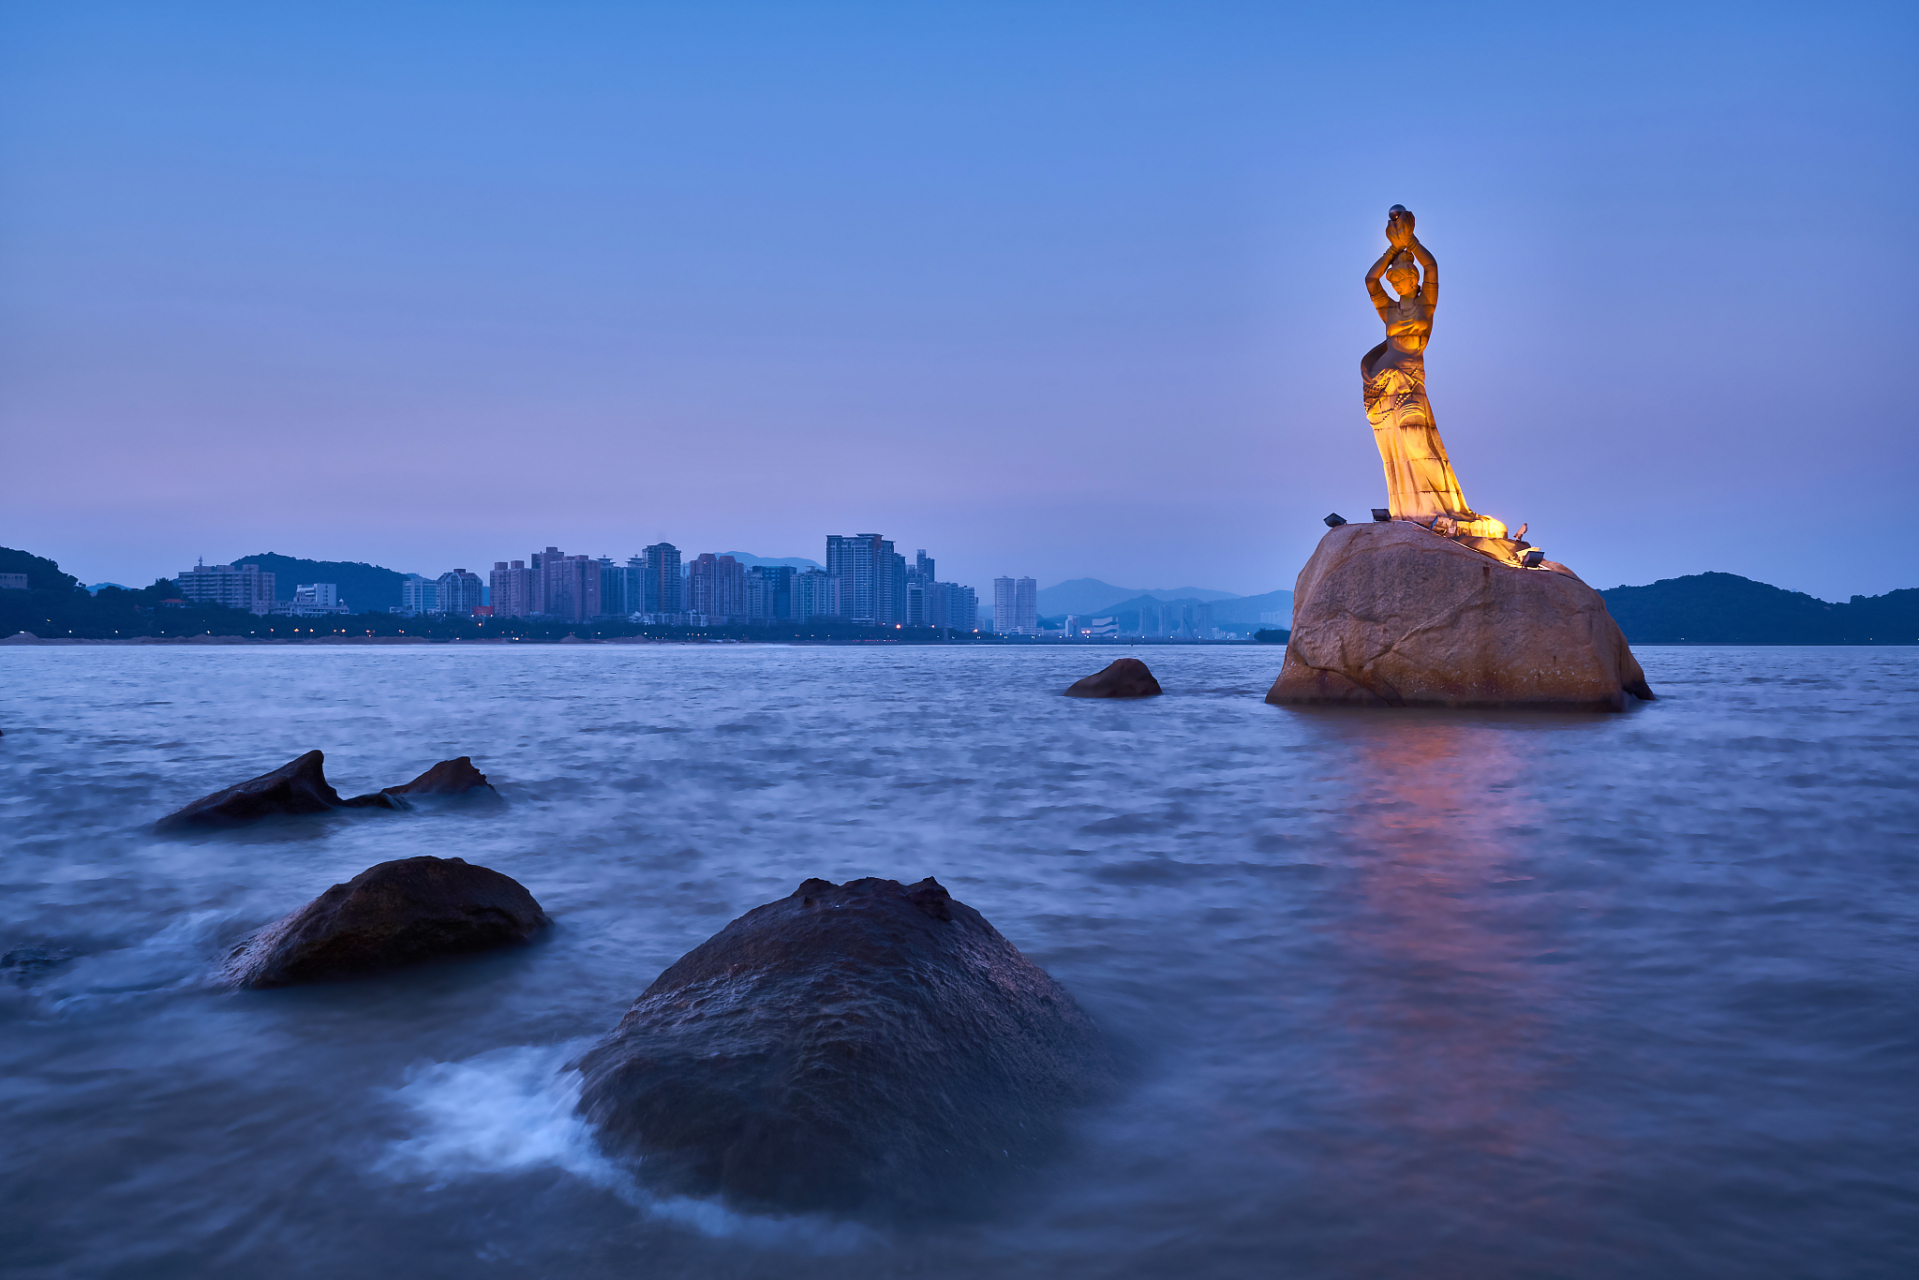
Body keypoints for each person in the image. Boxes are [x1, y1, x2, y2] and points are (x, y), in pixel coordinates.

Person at [1361, 206, 1507, 539]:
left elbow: (1431, 266)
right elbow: (1370, 280)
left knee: (1419, 441)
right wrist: (1392, 251)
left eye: (1403, 276)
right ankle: (1410, 510)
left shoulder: (1426, 302)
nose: (1398, 280)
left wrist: (1409, 243)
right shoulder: (1389, 310)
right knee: (1395, 451)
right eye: (1394, 278)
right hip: (1384, 385)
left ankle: (1445, 507)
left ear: (1413, 278)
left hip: (1411, 382)